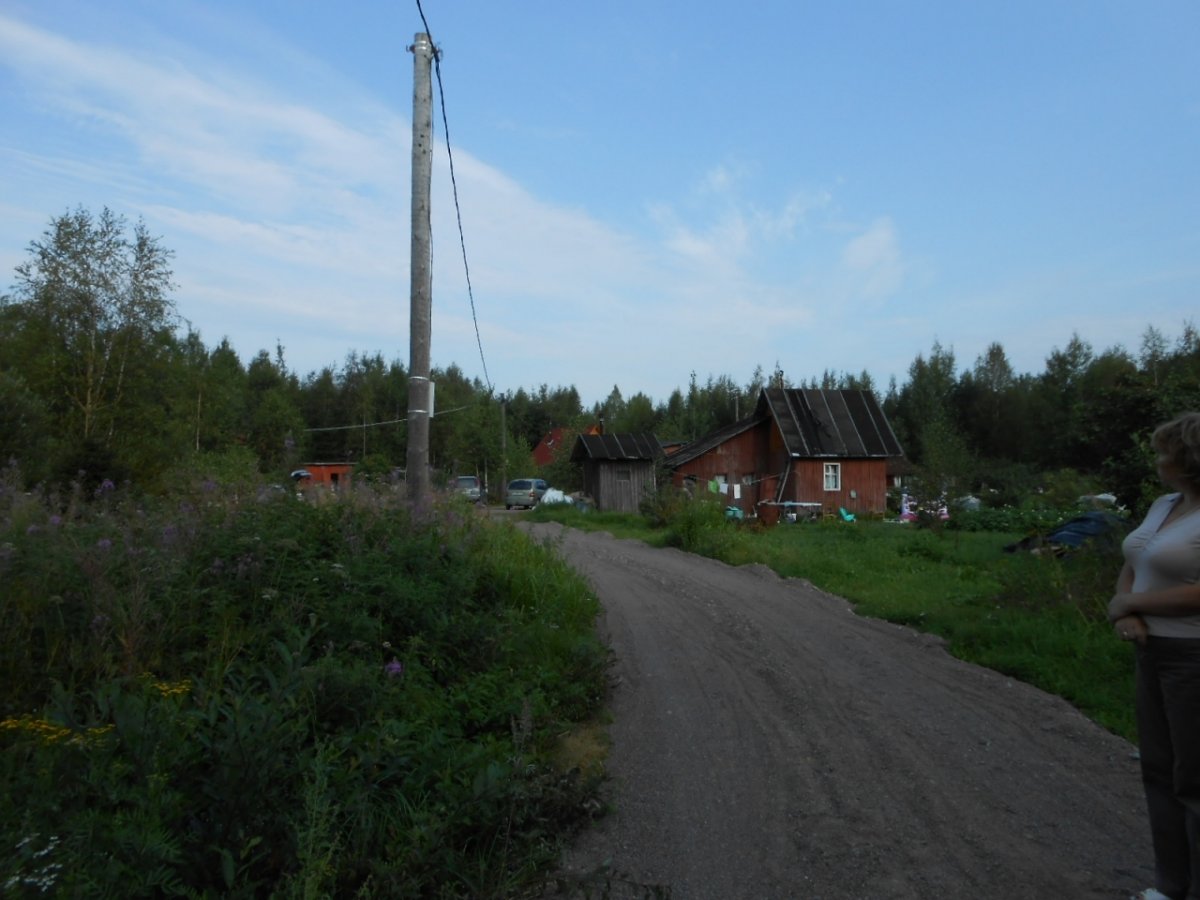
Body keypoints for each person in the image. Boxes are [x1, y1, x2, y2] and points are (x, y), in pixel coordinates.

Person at [1109, 412, 1200, 900]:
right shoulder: (1165, 505)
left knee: (1195, 779)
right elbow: (1133, 562)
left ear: (1187, 459)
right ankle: (1170, 885)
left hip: (1193, 654)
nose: (1158, 459)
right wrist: (1124, 611)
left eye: (1165, 450)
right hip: (1151, 650)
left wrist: (1132, 603)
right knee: (1159, 771)